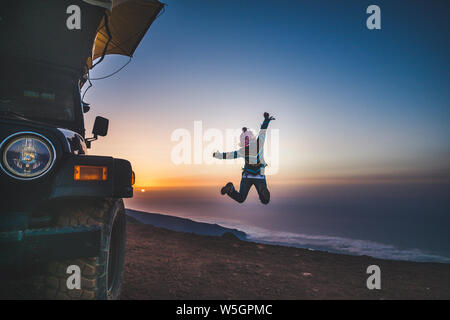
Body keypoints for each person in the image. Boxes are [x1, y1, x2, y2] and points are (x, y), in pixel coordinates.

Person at [213, 112, 275, 204]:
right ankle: (262, 190)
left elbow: (230, 155)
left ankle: (230, 190)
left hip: (247, 175)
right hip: (259, 175)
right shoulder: (259, 144)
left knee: (241, 198)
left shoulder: (243, 151)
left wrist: (218, 155)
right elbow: (263, 131)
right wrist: (266, 120)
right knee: (265, 201)